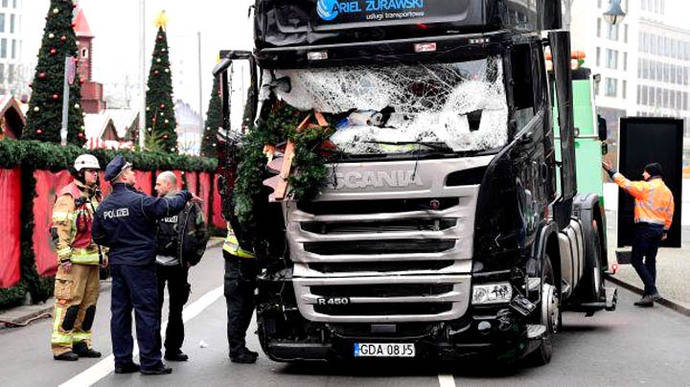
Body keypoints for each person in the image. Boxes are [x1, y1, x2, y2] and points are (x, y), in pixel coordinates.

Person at [92, 156, 201, 375]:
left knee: (120, 313)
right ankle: (151, 362)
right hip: (140, 264)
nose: (134, 174)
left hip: (118, 263)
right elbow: (169, 206)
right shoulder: (139, 202)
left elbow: (98, 235)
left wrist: (119, 243)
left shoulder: (104, 206)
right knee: (146, 311)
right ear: (123, 176)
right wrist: (186, 193)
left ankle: (122, 361)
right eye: (131, 171)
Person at [50, 154, 106, 361]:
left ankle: (81, 342)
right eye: (92, 171)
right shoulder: (68, 196)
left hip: (92, 260)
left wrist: (104, 253)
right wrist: (64, 257)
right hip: (73, 262)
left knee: (89, 304)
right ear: (80, 173)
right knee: (69, 303)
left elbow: (100, 229)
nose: (96, 175)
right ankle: (62, 346)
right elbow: (59, 230)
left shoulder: (95, 195)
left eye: (97, 171)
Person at [603, 161, 674, 307]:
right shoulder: (667, 191)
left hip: (645, 229)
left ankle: (652, 290)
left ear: (651, 174)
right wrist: (665, 229)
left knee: (636, 260)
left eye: (645, 172)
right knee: (650, 261)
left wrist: (611, 171)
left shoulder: (646, 187)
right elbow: (669, 212)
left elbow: (626, 184)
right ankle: (648, 296)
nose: (643, 174)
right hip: (658, 230)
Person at [154, 171, 208, 362]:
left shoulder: (190, 206)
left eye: (159, 184)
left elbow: (202, 233)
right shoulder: (156, 204)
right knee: (153, 309)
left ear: (169, 184)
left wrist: (193, 259)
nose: (156, 187)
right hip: (156, 266)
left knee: (176, 309)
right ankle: (153, 351)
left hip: (179, 266)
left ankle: (173, 349)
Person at [223, 219, 259, 364]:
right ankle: (236, 350)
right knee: (237, 307)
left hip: (244, 259)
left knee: (248, 305)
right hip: (238, 257)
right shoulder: (242, 205)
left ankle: (239, 346)